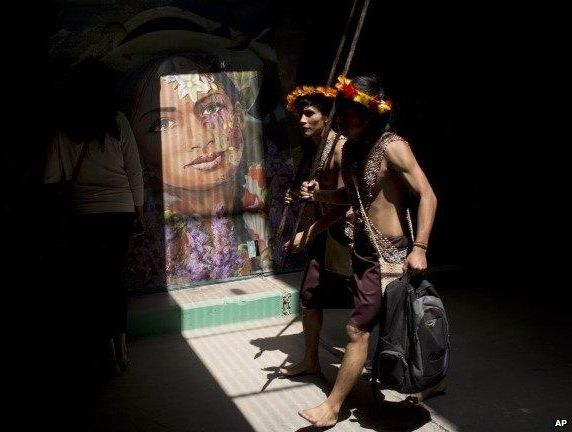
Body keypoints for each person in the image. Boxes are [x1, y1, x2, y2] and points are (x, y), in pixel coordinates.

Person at [102, 12, 284, 290]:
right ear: (133, 142)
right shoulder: (143, 240)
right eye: (162, 123)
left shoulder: (275, 195)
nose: (200, 139)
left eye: (212, 108)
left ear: (237, 112)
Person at [296, 75, 440, 427]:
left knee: (359, 330)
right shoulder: (351, 150)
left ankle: (333, 406)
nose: (341, 119)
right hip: (362, 251)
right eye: (341, 112)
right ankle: (427, 381)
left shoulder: (394, 147)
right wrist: (319, 196)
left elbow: (428, 195)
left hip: (390, 256)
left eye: (348, 112)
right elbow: (351, 197)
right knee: (390, 330)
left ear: (370, 113)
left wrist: (419, 247)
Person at [43, 59, 145, 375]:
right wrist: (139, 210)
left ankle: (102, 350)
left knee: (92, 282)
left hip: (84, 213)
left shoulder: (64, 128)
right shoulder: (118, 122)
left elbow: (51, 176)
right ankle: (122, 349)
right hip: (121, 211)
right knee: (114, 279)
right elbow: (134, 169)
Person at [278, 84, 354, 378]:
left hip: (347, 237)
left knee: (367, 303)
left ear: (327, 116)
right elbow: (315, 192)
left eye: (309, 113)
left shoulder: (341, 149)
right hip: (323, 234)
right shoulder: (315, 149)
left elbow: (344, 202)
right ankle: (311, 360)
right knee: (310, 296)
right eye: (300, 114)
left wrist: (307, 232)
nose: (302, 120)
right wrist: (297, 195)